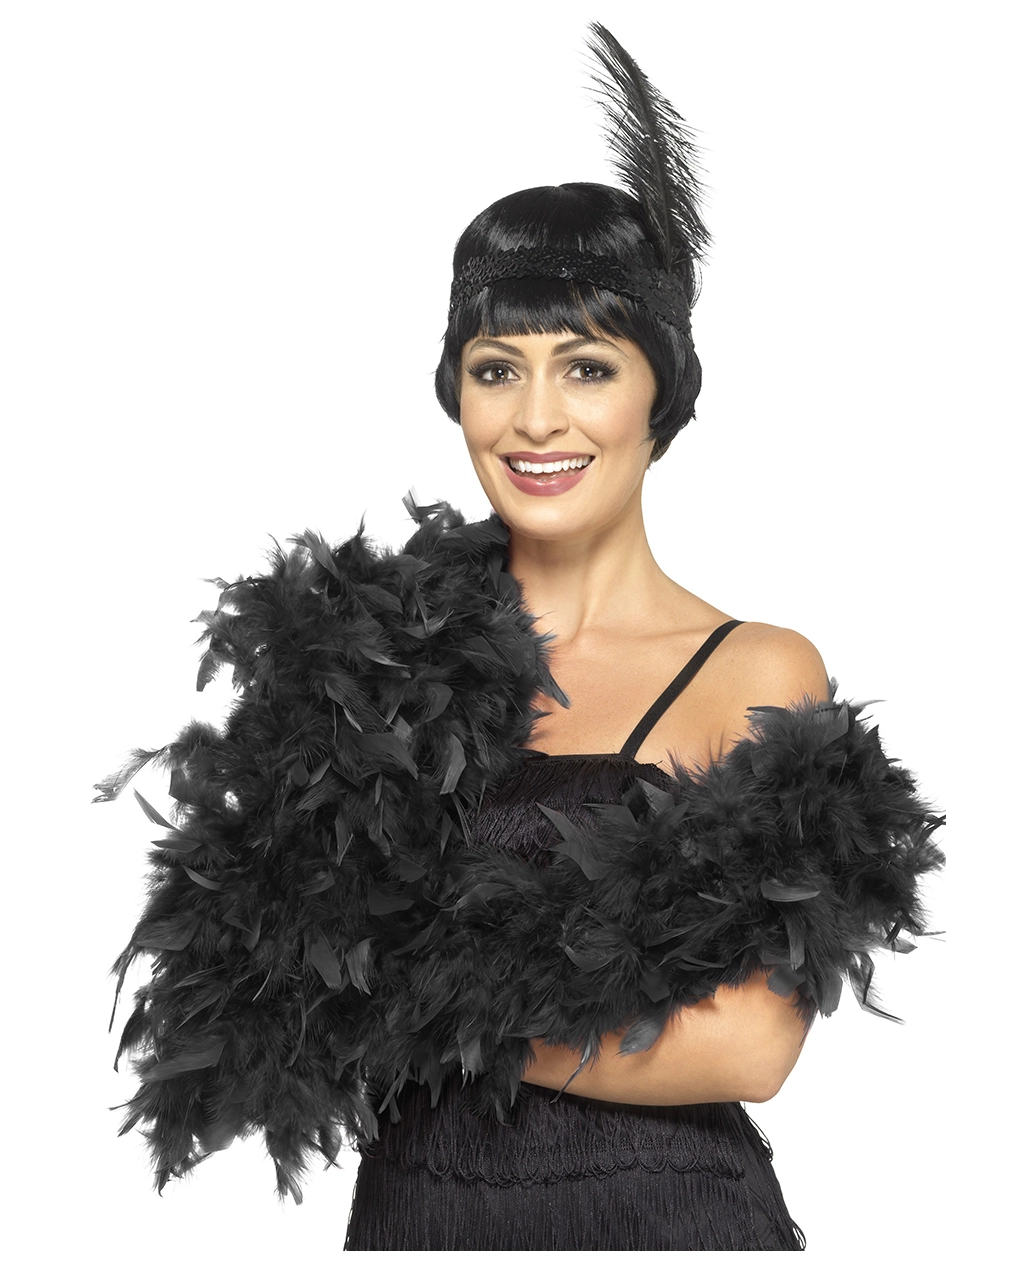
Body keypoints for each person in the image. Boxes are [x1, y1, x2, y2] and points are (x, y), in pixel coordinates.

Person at [102, 26, 942, 1252]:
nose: (536, 418)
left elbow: (746, 1048)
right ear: (457, 391)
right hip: (417, 1220)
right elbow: (254, 970)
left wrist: (406, 1002)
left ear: (660, 393)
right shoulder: (364, 671)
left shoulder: (755, 670)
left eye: (586, 367)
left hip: (668, 1222)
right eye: (497, 369)